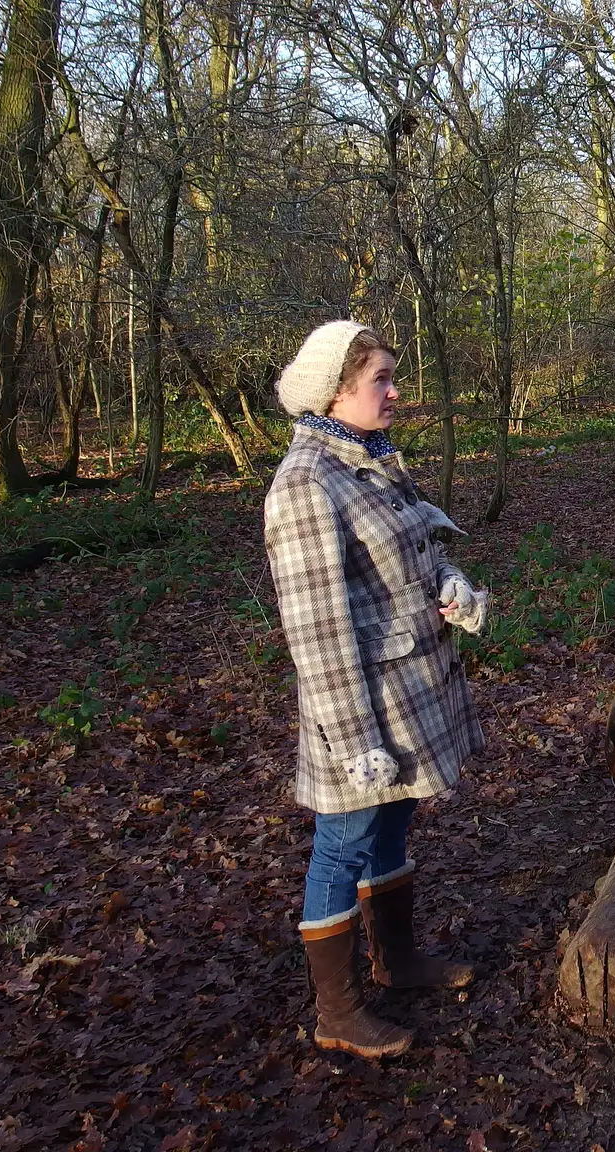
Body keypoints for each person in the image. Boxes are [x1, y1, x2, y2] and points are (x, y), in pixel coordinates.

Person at [264, 320, 489, 1059]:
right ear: (334, 393)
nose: (396, 393)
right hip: (358, 707)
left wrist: (449, 585)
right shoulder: (304, 485)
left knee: (391, 827)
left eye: (393, 376)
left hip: (406, 692)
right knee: (344, 841)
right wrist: (355, 742)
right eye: (380, 382)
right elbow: (316, 630)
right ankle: (338, 1010)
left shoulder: (368, 459)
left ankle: (398, 960)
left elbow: (414, 549)